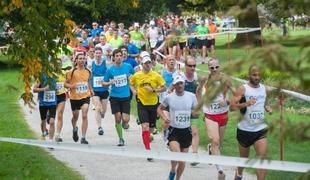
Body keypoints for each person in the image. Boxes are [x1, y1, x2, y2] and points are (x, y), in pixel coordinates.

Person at [230, 65, 272, 180]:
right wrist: (245, 104)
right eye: (254, 75)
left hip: (260, 129)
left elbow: (264, 102)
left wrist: (268, 108)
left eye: (259, 75)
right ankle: (239, 173)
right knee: (244, 159)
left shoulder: (263, 88)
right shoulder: (243, 89)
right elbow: (232, 107)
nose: (257, 77)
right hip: (245, 130)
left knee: (262, 159)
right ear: (249, 75)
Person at [157, 75, 198, 180]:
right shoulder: (169, 97)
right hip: (174, 131)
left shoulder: (192, 96)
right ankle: (172, 170)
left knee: (182, 161)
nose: (180, 86)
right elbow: (159, 109)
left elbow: (196, 112)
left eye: (181, 83)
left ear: (184, 83)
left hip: (186, 131)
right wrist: (164, 117)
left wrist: (194, 113)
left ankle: (176, 177)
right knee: (177, 155)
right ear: (174, 85)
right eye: (177, 84)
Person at [200, 58, 234, 178]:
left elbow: (238, 95)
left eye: (216, 67)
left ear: (219, 67)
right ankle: (220, 170)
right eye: (211, 68)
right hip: (210, 115)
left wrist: (228, 102)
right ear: (208, 68)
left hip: (223, 114)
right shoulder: (204, 80)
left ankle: (211, 148)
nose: (214, 70)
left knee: (218, 144)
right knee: (216, 140)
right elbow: (198, 92)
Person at [130, 55, 166, 161]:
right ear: (142, 64)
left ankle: (148, 136)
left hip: (154, 104)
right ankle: (148, 151)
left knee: (150, 129)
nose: (148, 64)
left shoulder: (156, 75)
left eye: (149, 62)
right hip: (142, 103)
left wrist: (154, 90)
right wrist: (134, 91)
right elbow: (131, 84)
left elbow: (164, 88)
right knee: (144, 127)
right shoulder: (137, 75)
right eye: (145, 63)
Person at [103, 49, 135, 146]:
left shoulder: (128, 67)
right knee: (117, 118)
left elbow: (135, 76)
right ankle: (121, 138)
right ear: (113, 57)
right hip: (114, 97)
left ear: (122, 57)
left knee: (125, 119)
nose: (119, 57)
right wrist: (110, 83)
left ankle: (125, 124)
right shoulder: (110, 69)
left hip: (125, 96)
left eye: (120, 55)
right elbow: (104, 83)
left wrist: (131, 78)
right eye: (116, 56)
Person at [65, 53, 93, 144]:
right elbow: (65, 84)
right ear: (76, 60)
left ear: (85, 60)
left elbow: (88, 81)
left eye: (83, 59)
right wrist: (72, 86)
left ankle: (83, 137)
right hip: (74, 98)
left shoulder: (88, 71)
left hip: (85, 96)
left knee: (84, 115)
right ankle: (74, 129)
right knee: (75, 117)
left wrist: (91, 90)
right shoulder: (71, 72)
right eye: (80, 59)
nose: (81, 60)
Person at [33, 73, 57, 141]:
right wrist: (44, 89)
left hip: (53, 102)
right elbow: (34, 89)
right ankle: (43, 133)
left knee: (52, 122)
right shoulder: (41, 77)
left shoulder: (55, 76)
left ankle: (50, 141)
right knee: (43, 120)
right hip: (43, 103)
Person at [91, 47, 109, 135]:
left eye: (99, 53)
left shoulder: (106, 64)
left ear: (101, 54)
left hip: (104, 89)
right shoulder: (90, 65)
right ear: (94, 54)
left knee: (103, 110)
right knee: (97, 107)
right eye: (96, 53)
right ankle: (99, 127)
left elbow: (110, 73)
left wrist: (109, 82)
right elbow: (88, 77)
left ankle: (103, 113)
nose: (98, 55)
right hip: (95, 90)